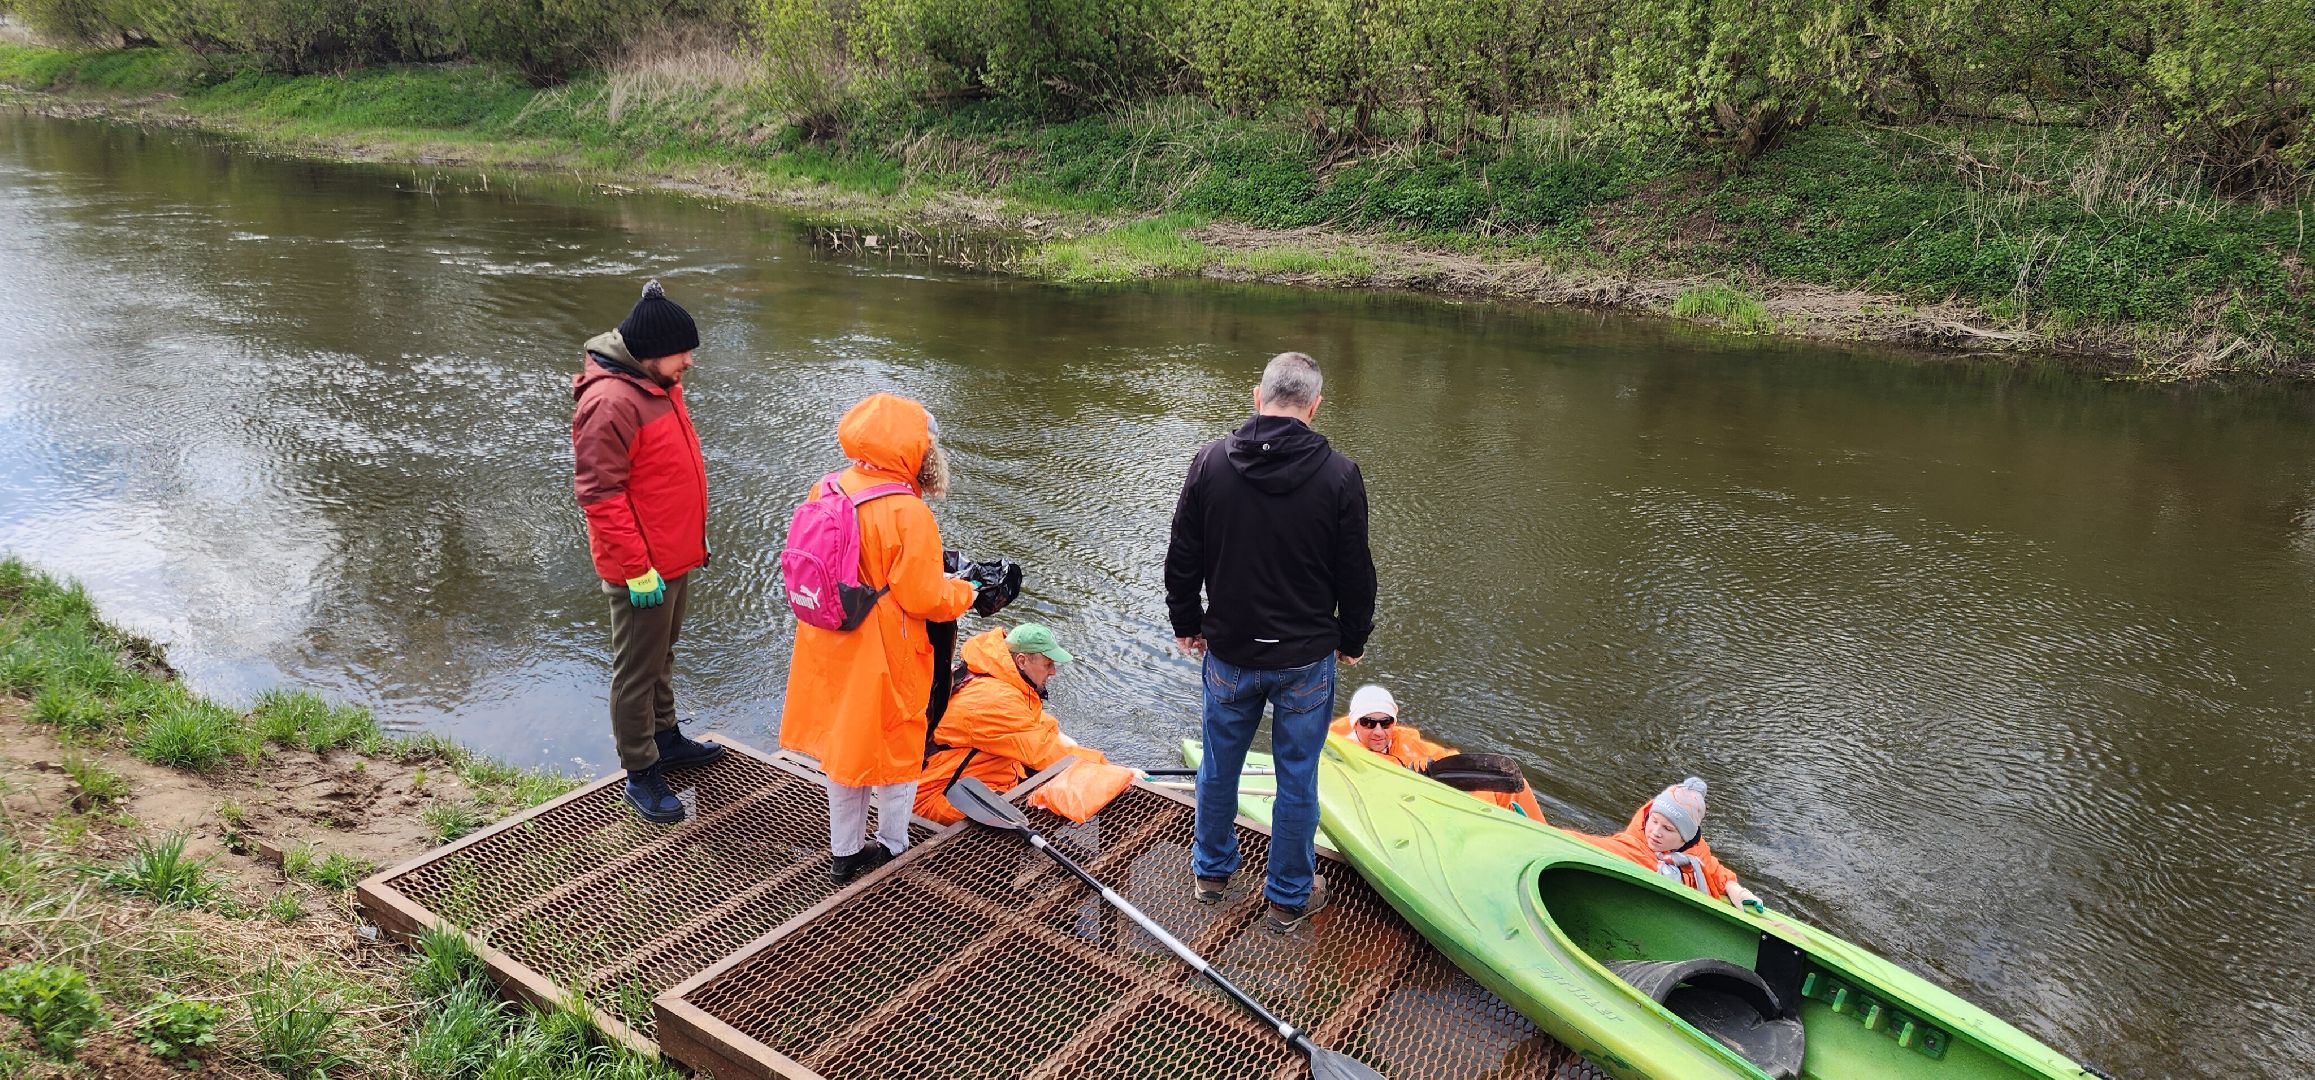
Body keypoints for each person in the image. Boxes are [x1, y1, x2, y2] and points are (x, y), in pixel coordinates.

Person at [1167, 351, 1376, 933]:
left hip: (1230, 651)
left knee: (1219, 765)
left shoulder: (1210, 462)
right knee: (1297, 777)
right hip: (1305, 658)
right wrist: (1352, 635)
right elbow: (1356, 571)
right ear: (1314, 406)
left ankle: (1212, 873)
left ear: (1258, 398)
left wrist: (1186, 621)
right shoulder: (1339, 474)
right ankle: (1288, 895)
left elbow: (1183, 555)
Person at [780, 393, 986, 884]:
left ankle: (844, 853)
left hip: (828, 640)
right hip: (884, 649)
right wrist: (966, 593)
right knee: (900, 749)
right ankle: (893, 848)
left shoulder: (828, 486)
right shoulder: (908, 512)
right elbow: (924, 599)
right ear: (912, 449)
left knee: (844, 749)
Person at [572, 279, 725, 824]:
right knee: (635, 671)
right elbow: (599, 495)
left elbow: (664, 477)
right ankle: (640, 773)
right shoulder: (610, 402)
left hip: (675, 557)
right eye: (682, 352)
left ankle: (667, 738)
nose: (689, 362)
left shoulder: (660, 386)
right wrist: (637, 570)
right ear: (651, 352)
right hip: (641, 568)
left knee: (662, 657)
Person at [915, 623, 1105, 824]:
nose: (1053, 672)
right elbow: (1042, 750)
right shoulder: (995, 699)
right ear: (1021, 661)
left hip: (970, 778)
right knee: (1032, 812)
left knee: (1047, 781)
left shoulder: (993, 675)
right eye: (1048, 664)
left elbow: (1031, 722)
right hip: (938, 795)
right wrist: (1107, 768)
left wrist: (1064, 740)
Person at [1332, 684, 1545, 820]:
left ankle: (1540, 832)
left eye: (1385, 722)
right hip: (1409, 810)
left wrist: (1430, 767)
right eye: (1368, 723)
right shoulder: (1341, 751)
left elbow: (1449, 759)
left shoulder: (1406, 741)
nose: (1378, 731)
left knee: (1518, 786)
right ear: (1355, 724)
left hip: (1433, 795)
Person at [1575, 777, 1761, 910]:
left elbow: (1715, 871)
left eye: (1668, 829)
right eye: (1654, 821)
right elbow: (1583, 843)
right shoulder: (1631, 849)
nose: (1656, 832)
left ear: (1684, 838)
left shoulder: (1695, 855)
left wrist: (1737, 891)